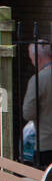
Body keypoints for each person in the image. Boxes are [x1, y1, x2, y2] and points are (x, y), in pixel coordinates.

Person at [21, 39, 52, 168]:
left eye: (32, 59)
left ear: (38, 59)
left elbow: (28, 113)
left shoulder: (38, 80)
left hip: (46, 143)